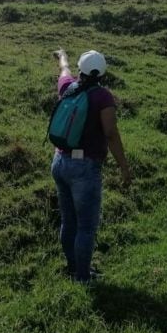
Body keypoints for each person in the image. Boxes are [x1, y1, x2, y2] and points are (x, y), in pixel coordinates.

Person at [50, 48, 133, 284]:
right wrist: (124, 168)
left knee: (69, 222)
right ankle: (83, 277)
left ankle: (73, 268)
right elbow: (111, 134)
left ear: (81, 70)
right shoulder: (103, 97)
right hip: (84, 169)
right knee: (86, 227)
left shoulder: (68, 87)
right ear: (103, 72)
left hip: (60, 162)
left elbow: (64, 69)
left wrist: (62, 55)